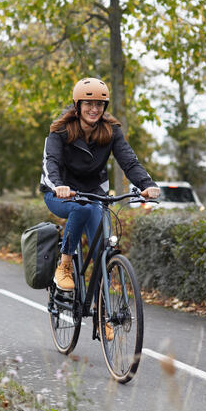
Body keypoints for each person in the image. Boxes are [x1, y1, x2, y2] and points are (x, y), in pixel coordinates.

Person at [40, 77, 160, 298]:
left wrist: (147, 185)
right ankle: (65, 265)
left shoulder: (111, 132)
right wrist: (58, 186)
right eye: (88, 104)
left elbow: (129, 162)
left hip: (94, 194)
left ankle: (103, 314)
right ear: (78, 106)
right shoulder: (61, 131)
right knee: (81, 209)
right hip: (60, 194)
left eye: (99, 104)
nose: (94, 109)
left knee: (102, 252)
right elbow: (51, 164)